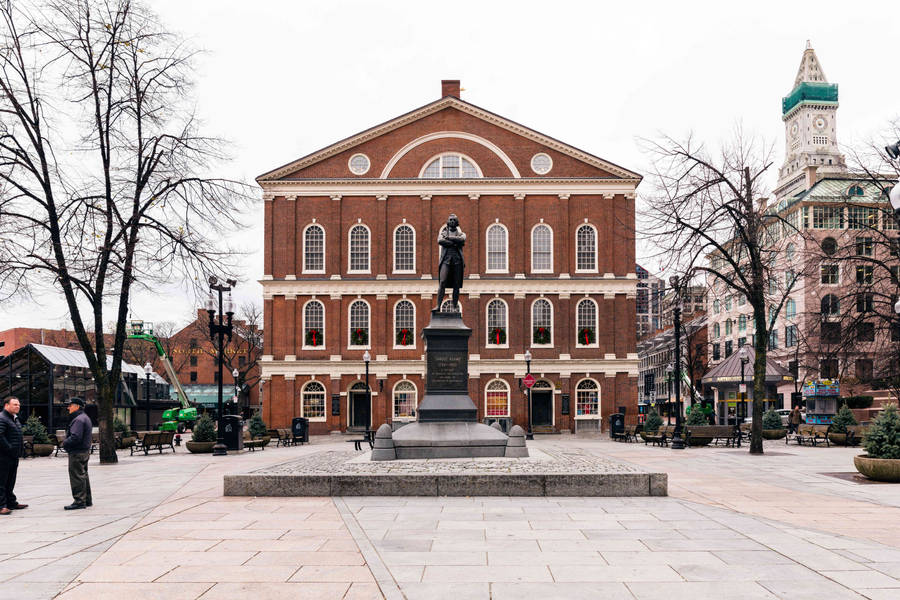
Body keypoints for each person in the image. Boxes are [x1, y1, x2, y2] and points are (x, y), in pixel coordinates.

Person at [62, 397, 92, 510]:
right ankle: (87, 500)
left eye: (70, 405)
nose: (68, 407)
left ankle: (79, 501)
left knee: (77, 476)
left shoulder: (78, 419)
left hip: (77, 452)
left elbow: (75, 437)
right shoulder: (85, 417)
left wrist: (65, 443)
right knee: (83, 476)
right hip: (84, 451)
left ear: (77, 406)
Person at [0, 397, 28, 515]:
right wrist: (9, 448)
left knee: (10, 481)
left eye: (19, 405)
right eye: (15, 404)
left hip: (13, 456)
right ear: (6, 405)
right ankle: (1, 506)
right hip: (3, 456)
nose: (18, 406)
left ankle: (11, 502)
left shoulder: (13, 418)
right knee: (1, 481)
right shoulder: (2, 418)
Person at [435, 213, 466, 311]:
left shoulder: (461, 233)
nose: (452, 221)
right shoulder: (443, 233)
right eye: (450, 220)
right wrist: (454, 243)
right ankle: (438, 306)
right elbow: (440, 241)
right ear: (448, 222)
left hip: (457, 261)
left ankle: (454, 307)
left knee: (456, 285)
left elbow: (462, 239)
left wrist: (449, 239)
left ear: (457, 223)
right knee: (442, 282)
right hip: (446, 260)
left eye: (454, 220)